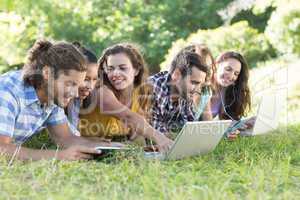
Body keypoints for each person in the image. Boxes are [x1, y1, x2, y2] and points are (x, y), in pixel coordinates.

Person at [0, 39, 118, 161]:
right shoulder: (7, 92)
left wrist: (110, 147)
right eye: (70, 84)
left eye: (77, 85)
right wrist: (59, 156)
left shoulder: (51, 96)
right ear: (47, 73)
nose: (74, 93)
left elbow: (65, 138)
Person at [78, 43, 173, 152]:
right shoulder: (101, 91)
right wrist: (160, 138)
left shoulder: (139, 94)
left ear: (136, 70)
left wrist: (144, 148)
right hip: (88, 147)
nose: (115, 73)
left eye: (122, 68)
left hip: (111, 151)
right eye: (111, 69)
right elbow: (128, 117)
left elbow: (137, 137)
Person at [149, 50, 210, 136]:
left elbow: (190, 125)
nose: (198, 90)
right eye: (194, 82)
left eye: (200, 84)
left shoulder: (185, 93)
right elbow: (151, 129)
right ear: (177, 75)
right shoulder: (153, 87)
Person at [209, 51, 253, 139]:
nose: (231, 76)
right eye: (228, 69)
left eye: (236, 74)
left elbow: (226, 119)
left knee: (254, 121)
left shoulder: (227, 90)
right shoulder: (203, 85)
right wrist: (223, 131)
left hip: (213, 128)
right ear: (216, 65)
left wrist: (238, 124)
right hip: (199, 128)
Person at [65, 42, 99, 136]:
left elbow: (72, 136)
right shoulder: (57, 101)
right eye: (85, 79)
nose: (90, 87)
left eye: (94, 79)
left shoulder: (76, 101)